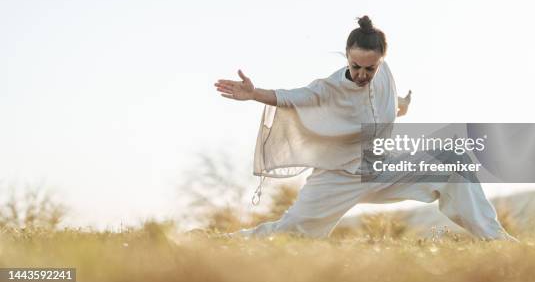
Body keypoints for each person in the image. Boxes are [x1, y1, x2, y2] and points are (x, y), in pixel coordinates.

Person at [214, 16, 517, 241]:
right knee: (292, 233)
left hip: (383, 169)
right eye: (355, 65)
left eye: (369, 68)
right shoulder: (330, 88)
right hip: (339, 176)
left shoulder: (384, 74)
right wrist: (255, 94)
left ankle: (498, 242)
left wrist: (402, 105)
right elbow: (293, 97)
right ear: (347, 56)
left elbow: (383, 103)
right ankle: (220, 242)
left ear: (380, 61)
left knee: (454, 161)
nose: (361, 73)